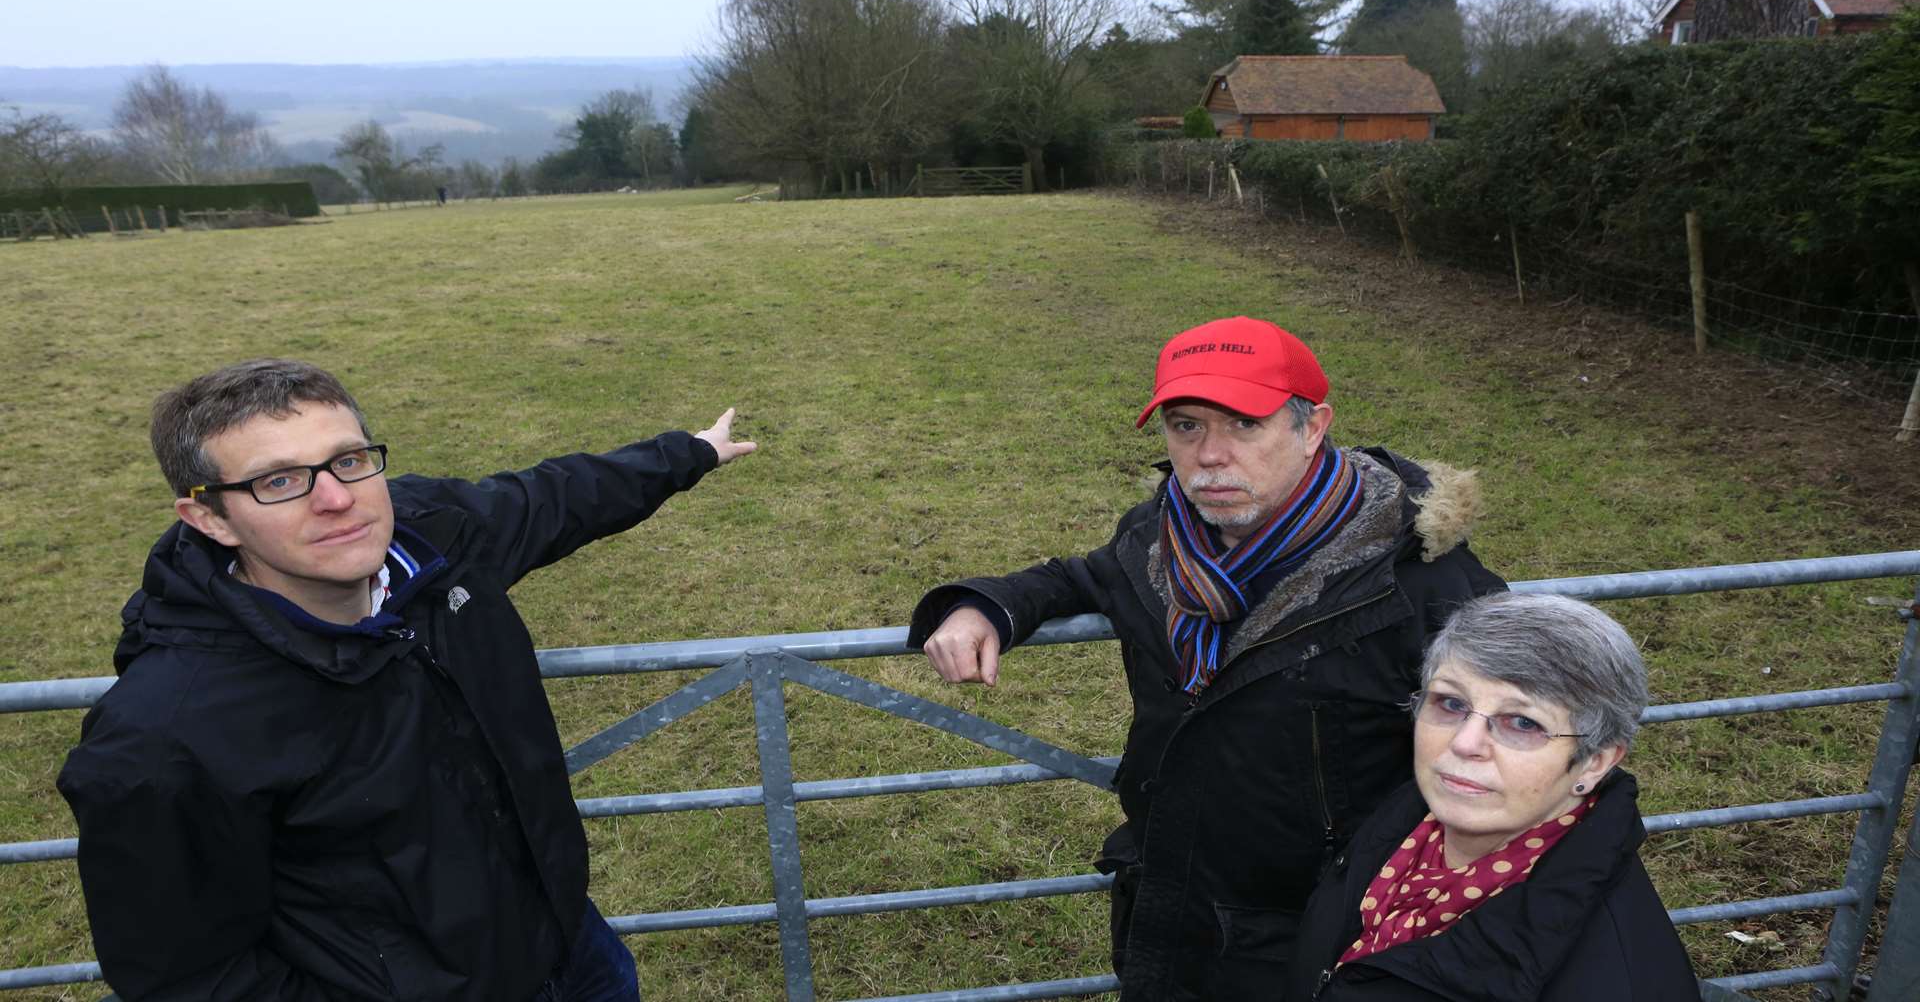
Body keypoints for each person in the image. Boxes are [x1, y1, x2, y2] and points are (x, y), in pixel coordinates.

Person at [56, 358, 756, 1001]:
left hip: (568, 945)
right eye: (278, 481)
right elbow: (187, 975)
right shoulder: (164, 738)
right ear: (208, 516)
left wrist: (688, 453)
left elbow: (554, 499)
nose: (335, 499)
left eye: (349, 460)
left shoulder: (435, 537)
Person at [909, 316, 1506, 999]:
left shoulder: (1417, 581)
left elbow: (1519, 752)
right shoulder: (1160, 536)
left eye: (1244, 425)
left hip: (1324, 928)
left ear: (1312, 428)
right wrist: (985, 606)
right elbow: (1087, 576)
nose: (1209, 455)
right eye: (1185, 426)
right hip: (1170, 897)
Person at [1283, 592, 1697, 1001]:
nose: (1464, 743)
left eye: (1522, 721)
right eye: (1450, 702)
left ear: (1594, 762)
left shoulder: (1613, 980)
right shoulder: (1413, 815)